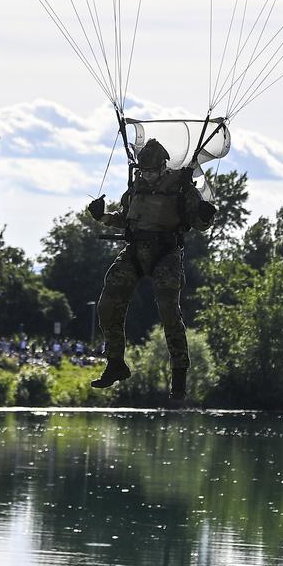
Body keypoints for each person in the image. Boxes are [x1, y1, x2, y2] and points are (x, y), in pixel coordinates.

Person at [85, 138, 215, 402]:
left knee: (168, 309)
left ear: (163, 167)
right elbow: (124, 219)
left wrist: (205, 214)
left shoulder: (181, 188)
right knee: (107, 304)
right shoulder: (136, 188)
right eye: (143, 171)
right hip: (135, 251)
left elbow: (199, 224)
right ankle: (115, 363)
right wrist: (101, 216)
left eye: (152, 172)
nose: (147, 176)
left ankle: (179, 372)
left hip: (165, 253)